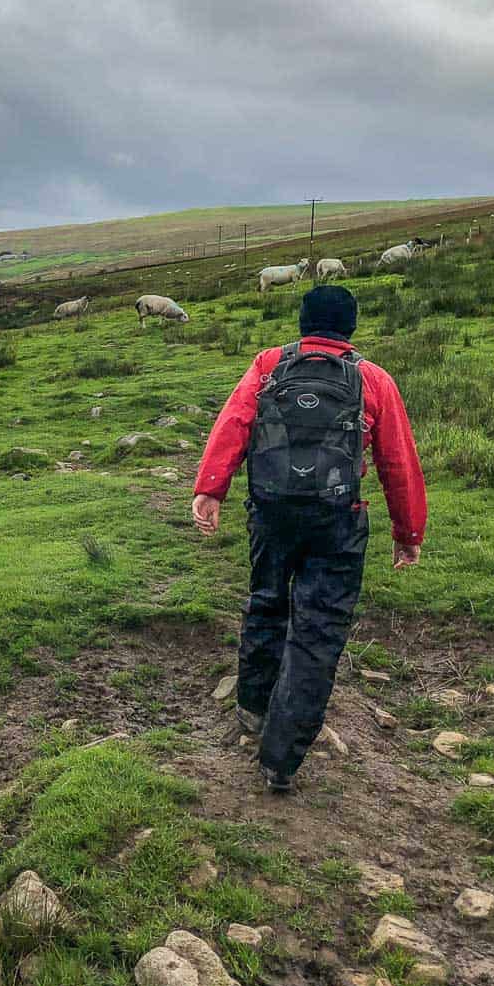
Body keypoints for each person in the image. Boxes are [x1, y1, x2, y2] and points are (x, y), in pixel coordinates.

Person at [190, 284, 426, 793]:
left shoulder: (268, 364)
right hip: (336, 521)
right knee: (317, 632)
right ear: (351, 327)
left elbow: (234, 424)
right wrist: (408, 532)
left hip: (271, 513)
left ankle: (253, 708)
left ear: (303, 322)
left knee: (266, 603)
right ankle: (281, 757)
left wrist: (211, 489)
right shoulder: (372, 379)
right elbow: (397, 462)